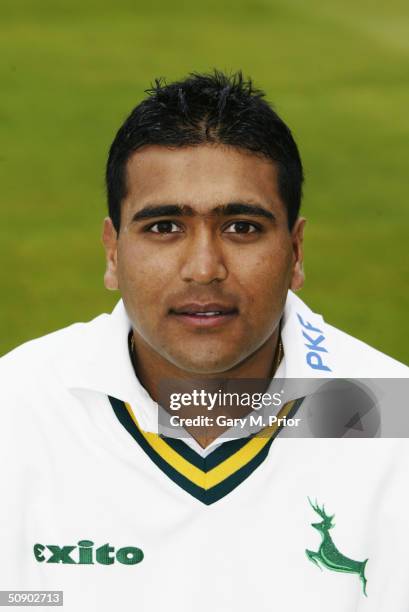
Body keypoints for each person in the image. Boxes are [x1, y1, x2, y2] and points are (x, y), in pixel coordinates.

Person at [0, 70, 407, 612]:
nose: (203, 269)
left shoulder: (393, 422)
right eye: (164, 226)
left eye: (241, 226)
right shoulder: (15, 410)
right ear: (112, 252)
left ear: (297, 252)